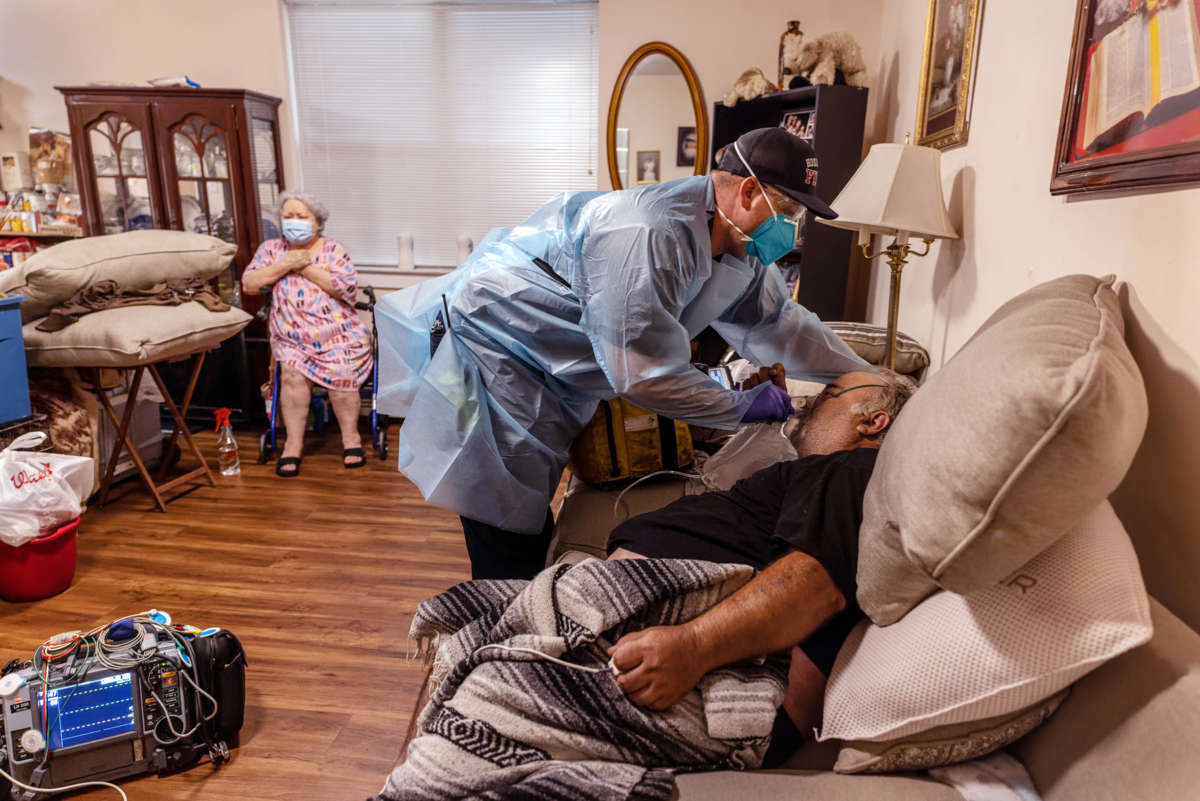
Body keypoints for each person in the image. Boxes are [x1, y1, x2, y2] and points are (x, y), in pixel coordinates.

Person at [376, 126, 867, 581]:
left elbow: (780, 325)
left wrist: (865, 376)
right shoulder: (646, 231)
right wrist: (737, 407)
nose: (792, 230)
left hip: (553, 369)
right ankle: (500, 642)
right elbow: (643, 372)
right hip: (494, 352)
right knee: (503, 521)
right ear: (747, 192)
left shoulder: (739, 248)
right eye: (790, 214)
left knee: (527, 507)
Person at [605, 367, 915, 753]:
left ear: (873, 421)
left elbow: (815, 584)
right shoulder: (822, 476)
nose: (808, 404)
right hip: (627, 617)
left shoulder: (856, 470)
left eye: (828, 394)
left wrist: (692, 646)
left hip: (651, 653)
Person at [242, 191, 373, 476]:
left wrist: (306, 267)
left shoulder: (333, 250)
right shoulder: (271, 250)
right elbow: (250, 283)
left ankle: (351, 439)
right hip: (292, 336)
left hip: (338, 333)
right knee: (290, 372)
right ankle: (293, 445)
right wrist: (284, 264)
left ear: (317, 222)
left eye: (302, 217)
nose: (294, 221)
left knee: (342, 369)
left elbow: (345, 288)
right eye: (288, 216)